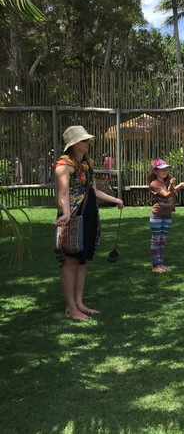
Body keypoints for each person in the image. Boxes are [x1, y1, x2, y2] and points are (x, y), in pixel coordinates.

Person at [54, 126, 124, 321]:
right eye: (84, 140)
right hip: (74, 216)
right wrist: (66, 213)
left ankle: (79, 303)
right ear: (73, 144)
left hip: (89, 214)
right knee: (71, 260)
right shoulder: (64, 165)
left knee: (83, 260)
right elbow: (62, 194)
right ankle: (70, 308)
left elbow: (93, 191)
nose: (88, 143)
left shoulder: (86, 164)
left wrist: (115, 200)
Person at [148, 159, 184, 273]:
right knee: (156, 240)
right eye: (162, 169)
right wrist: (178, 188)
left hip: (167, 215)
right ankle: (155, 266)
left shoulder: (166, 181)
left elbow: (170, 190)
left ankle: (161, 264)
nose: (165, 171)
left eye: (166, 169)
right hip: (157, 215)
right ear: (155, 171)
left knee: (163, 241)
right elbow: (166, 195)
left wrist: (172, 185)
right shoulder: (154, 184)